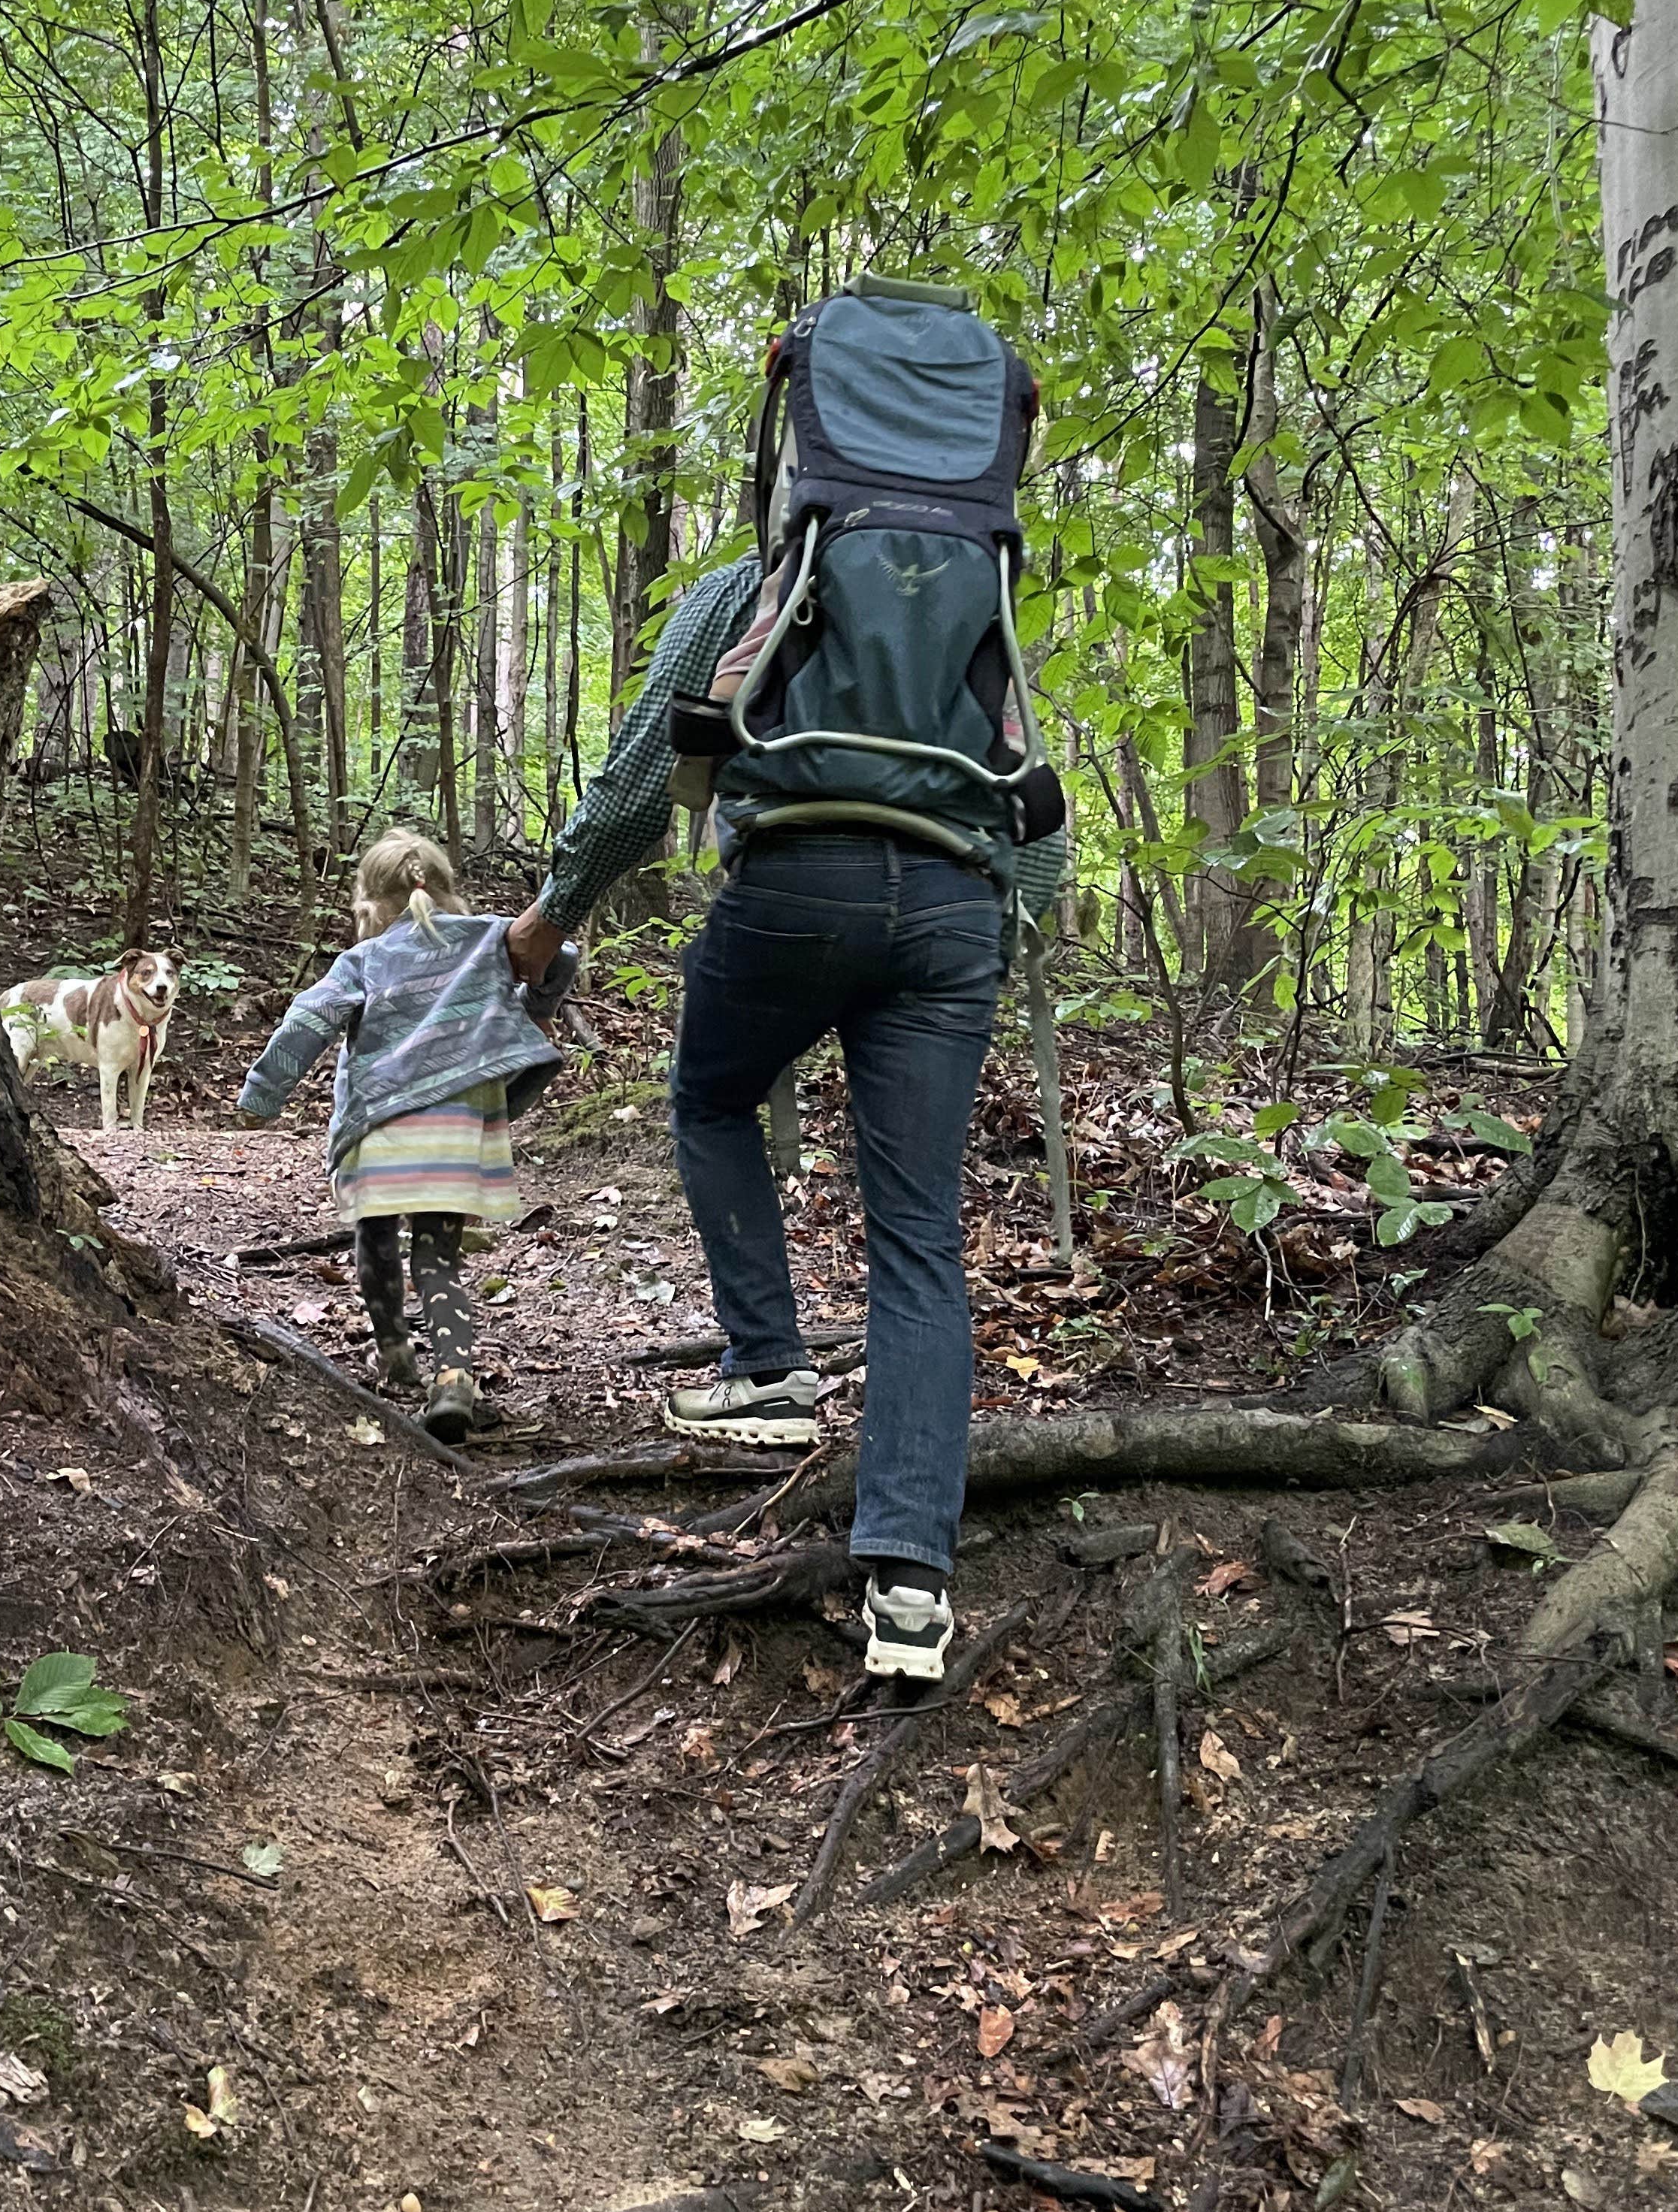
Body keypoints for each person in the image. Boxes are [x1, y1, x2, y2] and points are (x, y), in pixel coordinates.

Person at [505, 280, 1064, 1683]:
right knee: (916, 1237)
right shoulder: (985, 607)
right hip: (948, 915)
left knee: (709, 1095)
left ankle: (763, 1360)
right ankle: (907, 1588)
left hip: (789, 887)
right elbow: (1029, 808)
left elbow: (644, 774)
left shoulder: (747, 591)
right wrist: (1016, 927)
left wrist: (549, 912)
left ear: (799, 447)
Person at [238, 829, 574, 1443]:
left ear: (368, 904)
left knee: (375, 1236)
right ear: (448, 890)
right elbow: (566, 953)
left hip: (381, 1122)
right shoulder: (491, 939)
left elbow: (306, 1022)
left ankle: (394, 1352)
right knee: (437, 1256)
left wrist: (262, 1096)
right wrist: (539, 1003)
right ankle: (452, 1379)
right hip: (457, 1125)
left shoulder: (363, 960)